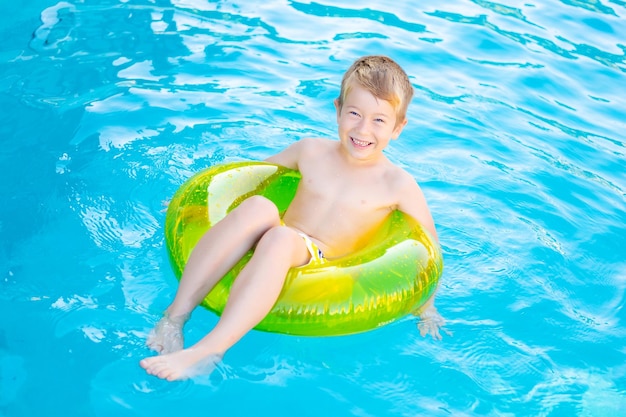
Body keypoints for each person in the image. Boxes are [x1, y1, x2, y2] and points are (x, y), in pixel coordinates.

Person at [140, 55, 444, 381]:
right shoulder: (310, 150)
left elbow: (425, 252)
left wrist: (426, 308)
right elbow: (249, 178)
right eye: (354, 113)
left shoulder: (398, 185)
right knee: (260, 207)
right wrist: (193, 204)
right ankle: (174, 319)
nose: (362, 129)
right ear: (338, 109)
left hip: (319, 261)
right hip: (279, 236)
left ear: (398, 127)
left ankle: (209, 349)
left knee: (282, 238)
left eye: (379, 121)